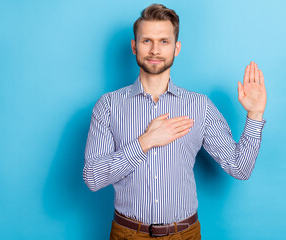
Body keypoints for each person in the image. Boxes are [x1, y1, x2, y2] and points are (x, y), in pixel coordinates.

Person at [83, 3, 267, 240]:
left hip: (184, 234)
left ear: (176, 48)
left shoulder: (199, 106)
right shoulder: (108, 105)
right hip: (128, 234)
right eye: (146, 40)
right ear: (134, 46)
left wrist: (255, 114)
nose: (155, 50)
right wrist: (145, 142)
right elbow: (93, 178)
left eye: (164, 41)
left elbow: (240, 168)